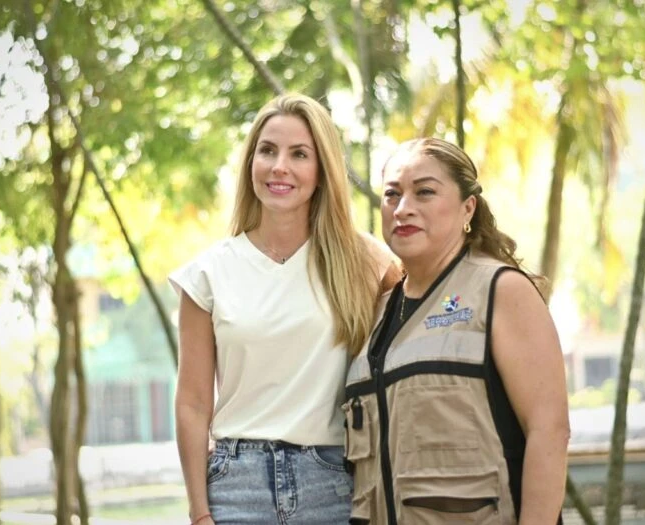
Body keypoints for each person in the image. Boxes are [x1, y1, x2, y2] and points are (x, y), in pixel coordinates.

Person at [169, 93, 401, 525]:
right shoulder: (207, 275)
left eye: (299, 154)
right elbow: (193, 404)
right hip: (235, 487)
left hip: (332, 481)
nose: (280, 167)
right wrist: (199, 513)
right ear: (250, 163)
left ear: (321, 171)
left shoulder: (365, 260)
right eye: (268, 151)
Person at [343, 137, 570, 524]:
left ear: (468, 207)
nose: (403, 209)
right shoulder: (378, 312)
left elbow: (549, 430)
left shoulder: (500, 290)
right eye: (392, 195)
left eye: (425, 192)